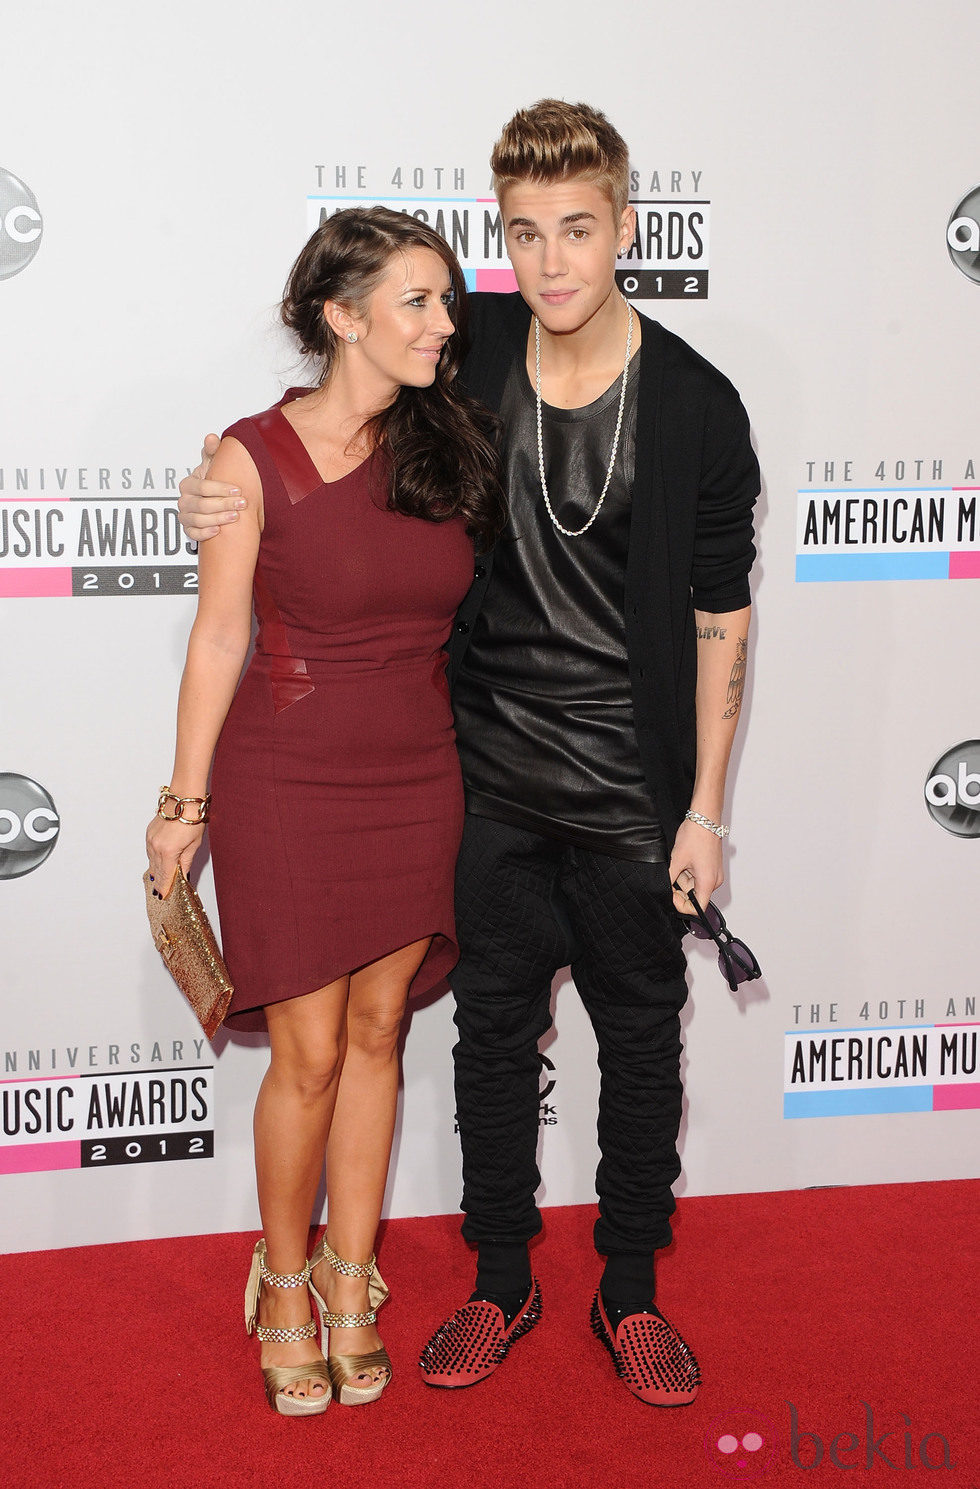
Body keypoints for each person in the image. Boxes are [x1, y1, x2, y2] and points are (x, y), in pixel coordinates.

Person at [177, 100, 759, 1408]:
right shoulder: (470, 343)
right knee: (490, 1047)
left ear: (625, 230)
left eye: (579, 231)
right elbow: (327, 406)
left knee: (644, 1049)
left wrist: (708, 808)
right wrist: (209, 483)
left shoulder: (699, 406)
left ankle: (631, 1290)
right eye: (524, 235)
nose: (551, 262)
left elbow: (723, 614)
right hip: (482, 786)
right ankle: (502, 1282)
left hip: (632, 797)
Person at [147, 206, 504, 1417]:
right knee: (302, 1055)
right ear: (341, 316)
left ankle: (356, 1279)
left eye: (447, 300)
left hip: (417, 773)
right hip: (288, 780)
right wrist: (181, 803)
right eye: (416, 302)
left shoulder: (448, 437)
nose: (444, 323)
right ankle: (287, 1283)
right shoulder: (248, 458)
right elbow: (219, 635)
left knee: (378, 1036)